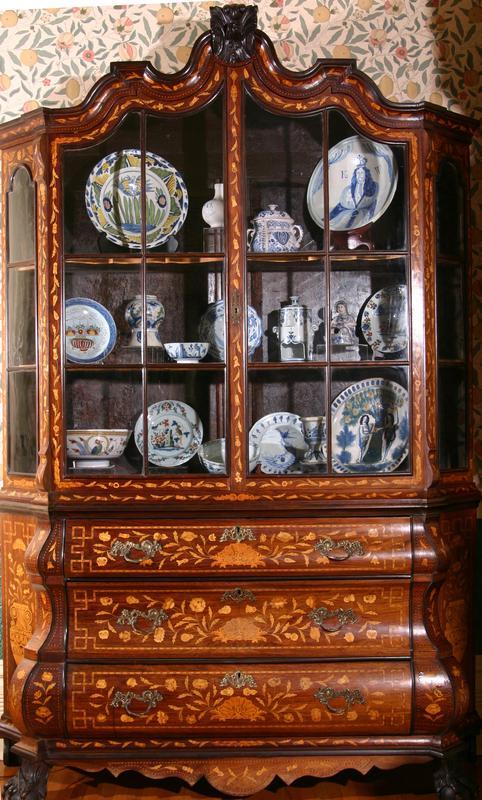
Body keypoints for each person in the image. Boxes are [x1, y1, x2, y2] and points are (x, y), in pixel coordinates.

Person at [329, 158, 378, 230]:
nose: (359, 175)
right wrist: (330, 217)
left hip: (364, 220)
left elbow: (373, 205)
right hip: (347, 218)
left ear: (366, 175)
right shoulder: (348, 190)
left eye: (362, 173)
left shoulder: (372, 187)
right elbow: (341, 206)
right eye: (357, 173)